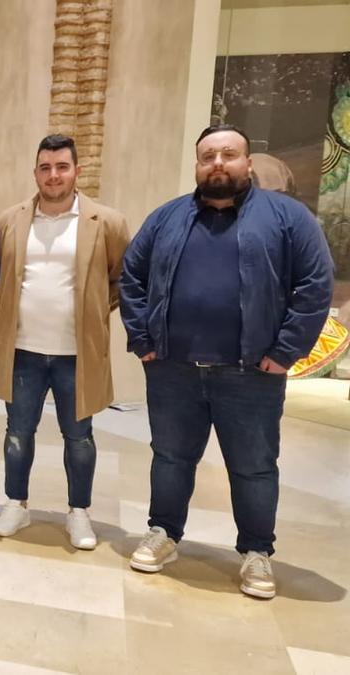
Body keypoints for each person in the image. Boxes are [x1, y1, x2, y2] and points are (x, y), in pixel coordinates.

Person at [120, 124, 334, 599]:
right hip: (173, 368)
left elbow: (316, 285)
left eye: (229, 154)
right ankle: (164, 533)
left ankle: (257, 553)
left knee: (254, 466)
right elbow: (131, 277)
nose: (218, 163)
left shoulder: (287, 218)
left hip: (250, 374)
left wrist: (285, 352)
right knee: (172, 458)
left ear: (248, 162)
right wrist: (143, 339)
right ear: (197, 165)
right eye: (208, 156)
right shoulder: (167, 218)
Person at [0, 134, 130, 549]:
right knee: (18, 433)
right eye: (45, 168)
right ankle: (16, 503)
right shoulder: (10, 220)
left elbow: (123, 277)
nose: (53, 175)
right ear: (35, 172)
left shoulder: (106, 222)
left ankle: (79, 512)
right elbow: (1, 274)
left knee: (79, 436)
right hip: (24, 351)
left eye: (62, 167)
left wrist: (94, 310)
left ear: (76, 171)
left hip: (77, 354)